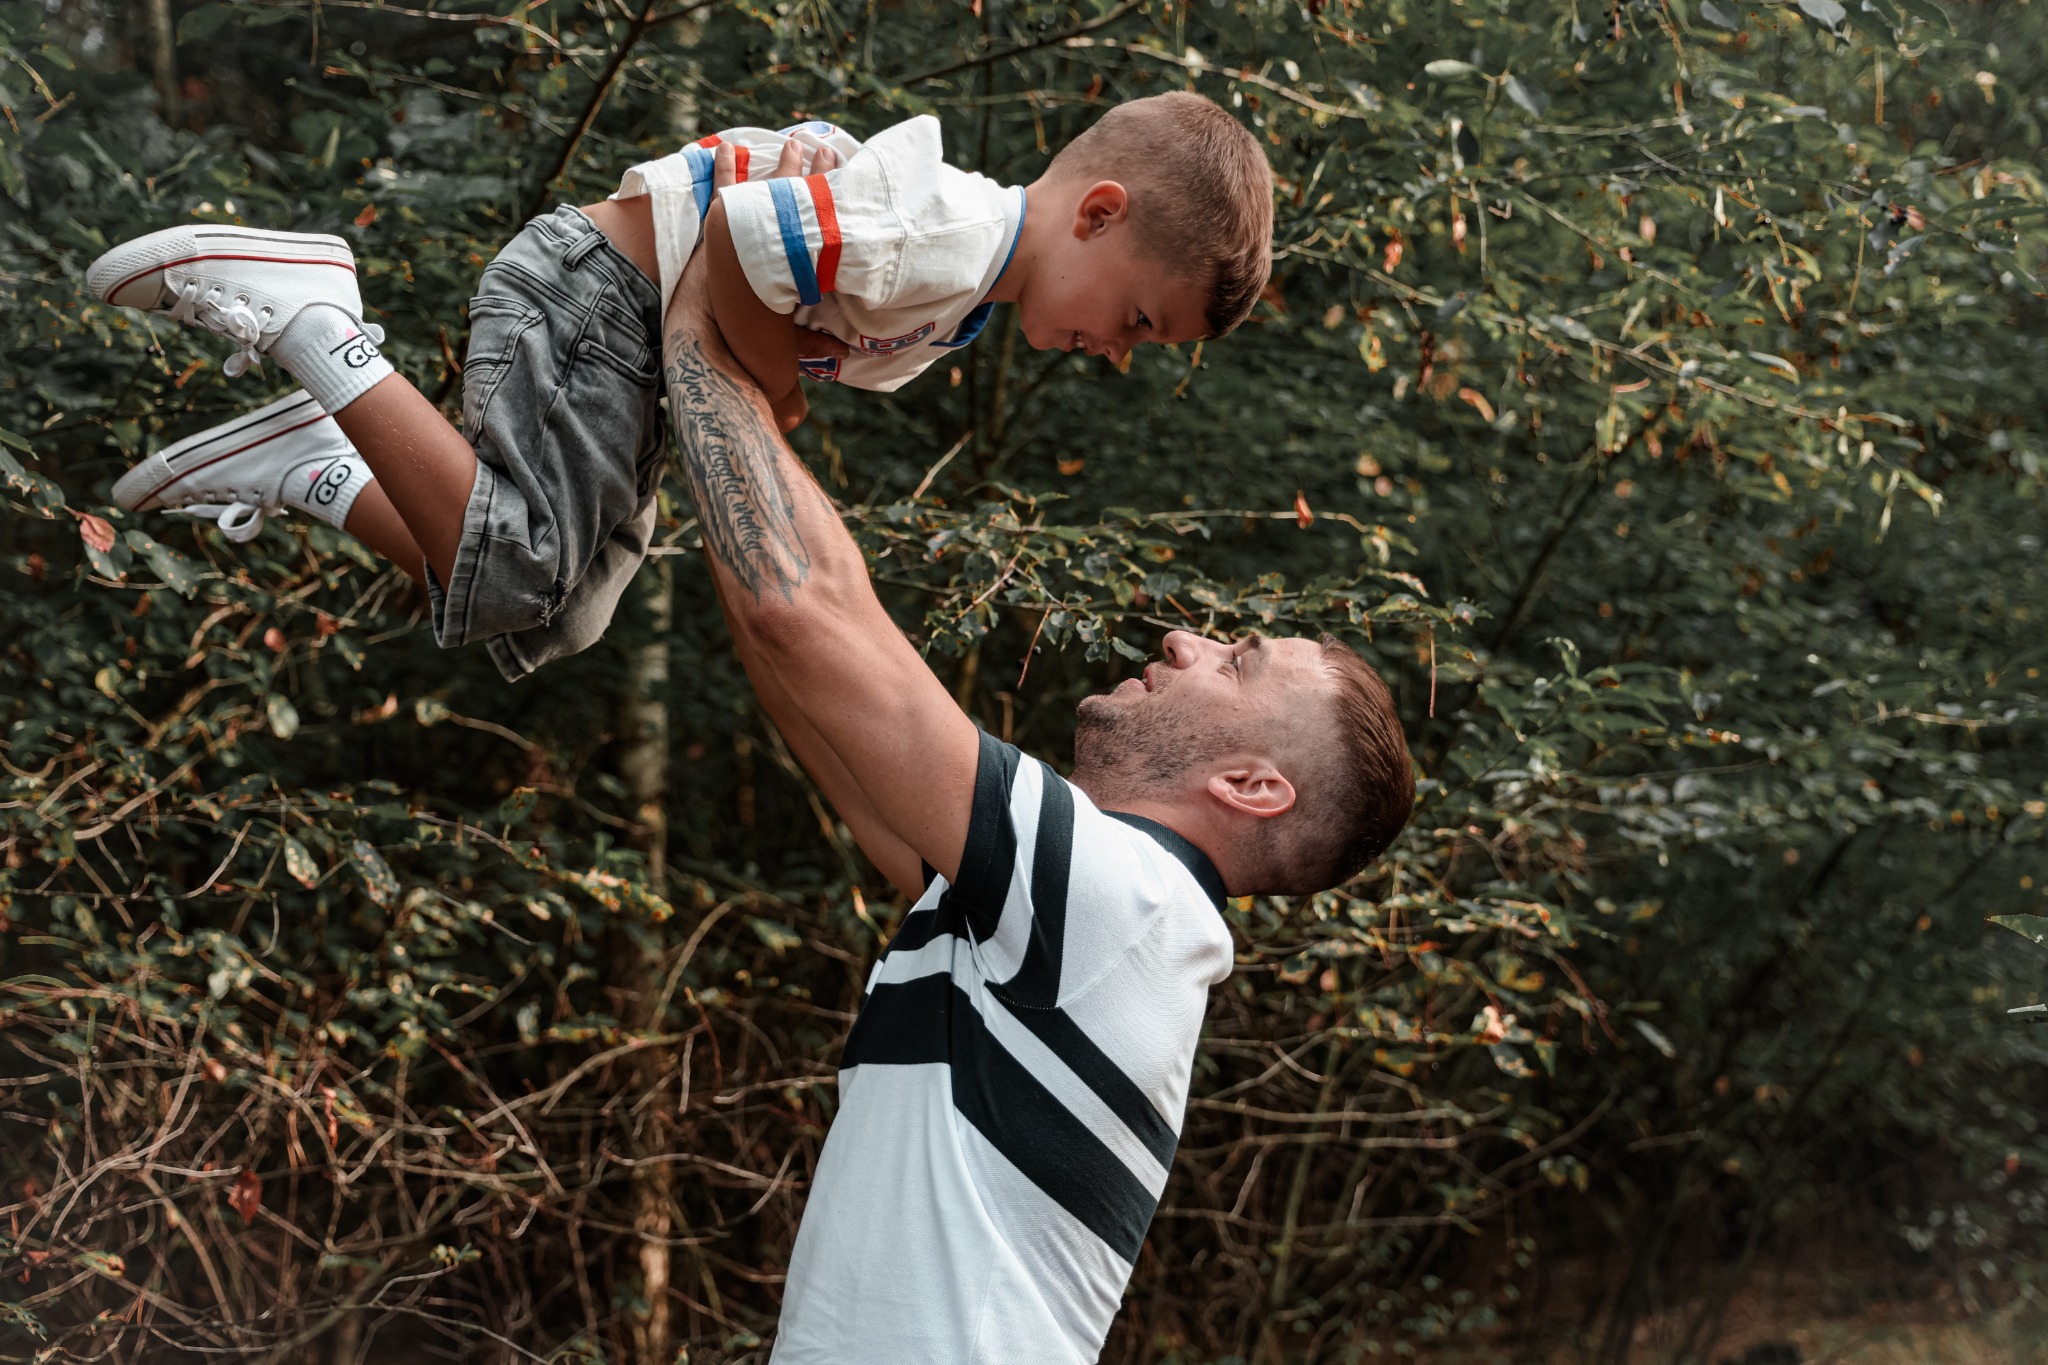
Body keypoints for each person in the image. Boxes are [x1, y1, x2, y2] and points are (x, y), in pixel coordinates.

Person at [659, 145, 1414, 1365]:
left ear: (1252, 787)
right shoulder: (1049, 928)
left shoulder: (1123, 911)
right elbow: (790, 638)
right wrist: (722, 375)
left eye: (1235, 659)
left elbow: (809, 612)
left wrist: (696, 326)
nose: (1183, 637)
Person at [81, 93, 1273, 681]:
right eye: (1133, 320)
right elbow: (752, 246)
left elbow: (790, 230)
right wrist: (767, 394)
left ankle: (328, 459)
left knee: (562, 614)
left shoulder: (957, 304)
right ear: (1098, 212)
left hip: (637, 355)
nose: (1113, 351)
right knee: (525, 562)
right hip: (596, 298)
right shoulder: (954, 233)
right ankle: (311, 322)